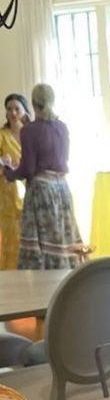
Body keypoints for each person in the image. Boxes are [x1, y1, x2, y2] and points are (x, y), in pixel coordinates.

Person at [2, 83, 83, 269]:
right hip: (62, 188)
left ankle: (43, 289)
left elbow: (28, 169)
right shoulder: (62, 127)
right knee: (63, 236)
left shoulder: (29, 131)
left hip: (42, 190)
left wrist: (9, 173)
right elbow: (64, 158)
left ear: (32, 104)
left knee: (44, 244)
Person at [0, 94, 30, 270]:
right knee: (11, 236)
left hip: (31, 189)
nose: (13, 112)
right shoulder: (2, 135)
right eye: (9, 109)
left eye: (17, 108)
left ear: (24, 110)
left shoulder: (32, 132)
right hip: (8, 192)